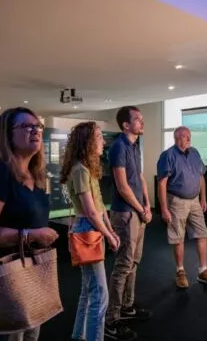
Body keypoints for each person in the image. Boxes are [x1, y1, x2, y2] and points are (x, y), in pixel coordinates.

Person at [0, 107, 59, 341]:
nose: (35, 130)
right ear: (7, 135)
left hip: (32, 270)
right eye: (26, 126)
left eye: (38, 126)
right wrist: (32, 234)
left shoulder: (35, 175)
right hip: (5, 272)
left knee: (31, 335)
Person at [60, 121, 120, 341]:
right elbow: (91, 211)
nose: (103, 141)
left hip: (90, 228)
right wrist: (109, 234)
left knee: (89, 289)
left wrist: (110, 229)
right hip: (88, 229)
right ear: (87, 141)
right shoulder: (80, 170)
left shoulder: (87, 168)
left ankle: (79, 334)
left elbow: (100, 205)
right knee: (100, 294)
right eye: (98, 136)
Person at [105, 106, 152, 341]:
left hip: (137, 211)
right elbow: (122, 187)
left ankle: (126, 308)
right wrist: (139, 209)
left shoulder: (134, 146)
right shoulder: (118, 147)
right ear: (125, 125)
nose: (142, 122)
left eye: (141, 119)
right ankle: (111, 321)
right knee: (123, 265)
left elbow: (140, 178)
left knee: (134, 261)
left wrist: (147, 204)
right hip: (125, 214)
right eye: (137, 119)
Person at [156, 126, 207, 289]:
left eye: (189, 136)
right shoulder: (167, 156)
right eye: (185, 136)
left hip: (195, 201)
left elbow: (201, 177)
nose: (188, 138)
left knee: (202, 234)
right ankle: (180, 272)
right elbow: (162, 184)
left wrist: (203, 198)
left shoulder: (195, 153)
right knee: (178, 237)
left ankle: (203, 271)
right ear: (176, 138)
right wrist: (163, 208)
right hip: (176, 201)